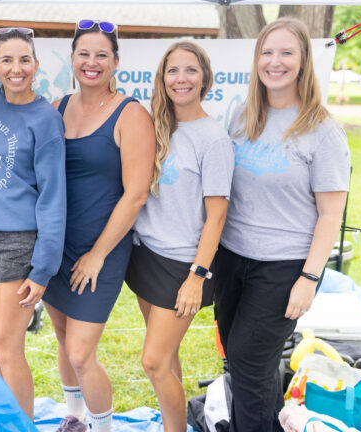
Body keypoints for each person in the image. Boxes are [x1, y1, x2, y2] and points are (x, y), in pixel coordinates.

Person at [214, 17, 351, 432]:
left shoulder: (323, 130)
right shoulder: (242, 116)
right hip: (232, 259)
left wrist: (309, 278)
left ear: (304, 62)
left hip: (283, 267)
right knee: (246, 363)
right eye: (267, 53)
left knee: (248, 361)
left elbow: (331, 214)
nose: (275, 62)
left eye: (286, 52)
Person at [43, 20, 154, 432]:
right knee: (60, 335)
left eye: (101, 55)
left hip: (102, 250)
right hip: (56, 247)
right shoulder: (56, 108)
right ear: (72, 59)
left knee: (80, 352)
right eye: (84, 54)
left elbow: (136, 195)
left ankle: (102, 427)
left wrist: (97, 255)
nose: (91, 63)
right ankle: (74, 418)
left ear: (116, 62)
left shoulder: (132, 114)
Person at [125, 41, 234, 432]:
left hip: (183, 265)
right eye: (173, 70)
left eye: (191, 70)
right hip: (145, 256)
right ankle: (172, 424)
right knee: (166, 359)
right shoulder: (155, 125)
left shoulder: (213, 139)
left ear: (205, 78)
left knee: (152, 361)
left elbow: (217, 215)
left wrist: (197, 275)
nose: (181, 78)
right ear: (162, 77)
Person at [0, 27, 66, 418]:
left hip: (19, 240)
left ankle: (20, 425)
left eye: (24, 60)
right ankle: (6, 411)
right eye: (7, 60)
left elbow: (54, 198)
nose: (16, 68)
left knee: (7, 343)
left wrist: (43, 269)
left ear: (36, 66)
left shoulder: (45, 118)